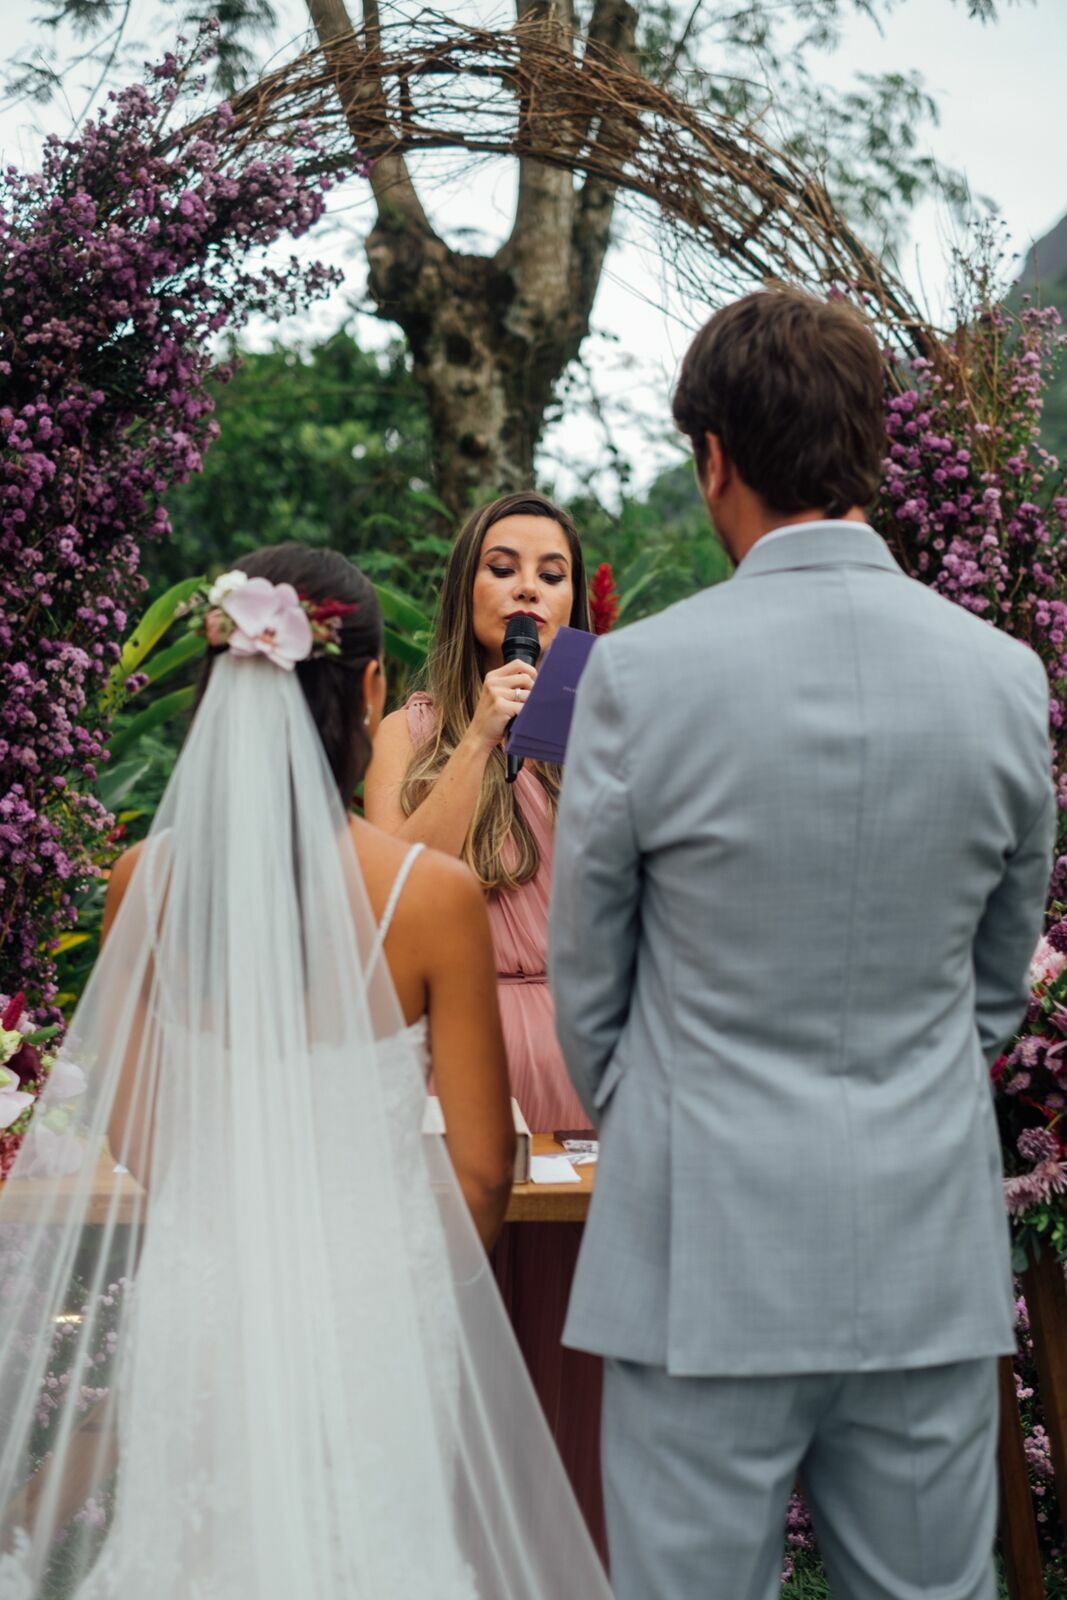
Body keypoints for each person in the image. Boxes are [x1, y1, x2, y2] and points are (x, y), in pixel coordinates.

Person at [549, 289, 1055, 1600]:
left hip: (694, 1255)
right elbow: (994, 989)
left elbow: (588, 983)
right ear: (869, 451)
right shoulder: (999, 674)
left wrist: (665, 1118)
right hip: (921, 1245)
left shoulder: (639, 676)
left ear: (711, 455)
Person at [0, 543, 613, 1600]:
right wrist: (415, 1285)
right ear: (370, 686)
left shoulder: (145, 882)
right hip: (373, 1307)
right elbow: (479, 1167)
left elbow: (134, 1126)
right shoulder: (429, 897)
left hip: (201, 1297)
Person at [365, 492, 608, 1559]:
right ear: (466, 586)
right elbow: (389, 890)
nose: (526, 588)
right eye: (503, 567)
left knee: (577, 1336)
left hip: (580, 1059)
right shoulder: (407, 731)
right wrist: (480, 737)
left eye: (550, 573)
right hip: (452, 1059)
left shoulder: (609, 726)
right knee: (453, 1334)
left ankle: (580, 1558)